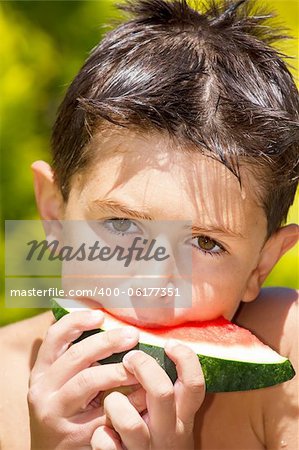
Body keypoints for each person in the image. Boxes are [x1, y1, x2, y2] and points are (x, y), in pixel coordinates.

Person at [1, 0, 298, 448]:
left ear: (262, 263)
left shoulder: (286, 356)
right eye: (121, 226)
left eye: (205, 242)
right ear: (55, 215)